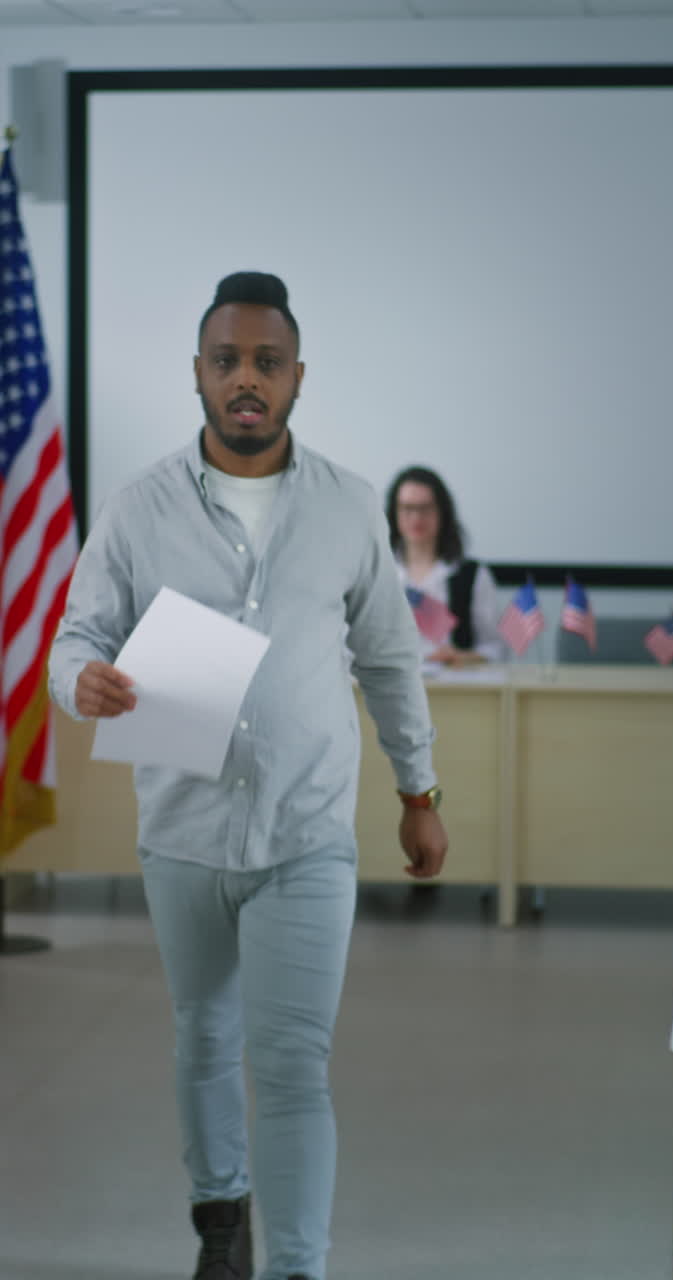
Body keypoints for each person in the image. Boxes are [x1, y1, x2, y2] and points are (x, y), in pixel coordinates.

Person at [48, 272, 448, 1280]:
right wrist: (76, 681)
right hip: (183, 827)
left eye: (267, 362)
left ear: (297, 376)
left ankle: (297, 1266)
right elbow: (76, 635)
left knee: (290, 1064)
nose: (246, 380)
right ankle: (220, 1216)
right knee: (202, 1033)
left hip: (307, 831)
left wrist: (418, 793)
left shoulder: (350, 507)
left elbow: (392, 660)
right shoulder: (138, 507)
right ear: (198, 372)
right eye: (226, 360)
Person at [386, 465, 505, 665]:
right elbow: (348, 648)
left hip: (455, 689)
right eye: (407, 508)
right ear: (394, 513)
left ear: (442, 512)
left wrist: (464, 657)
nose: (416, 517)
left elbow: (496, 647)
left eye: (425, 508)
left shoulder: (473, 576)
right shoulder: (374, 573)